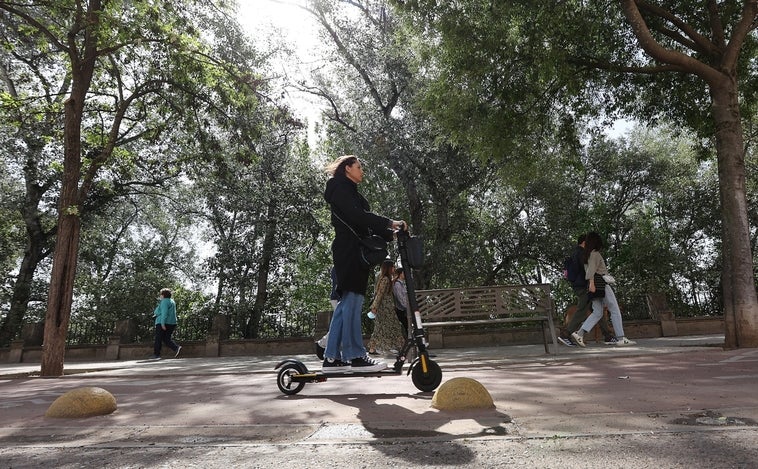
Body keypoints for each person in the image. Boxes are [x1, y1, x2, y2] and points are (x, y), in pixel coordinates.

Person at [322, 155, 406, 373]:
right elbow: (358, 216)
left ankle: (331, 359)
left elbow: (364, 223)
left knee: (347, 303)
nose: (362, 171)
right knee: (352, 301)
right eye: (359, 167)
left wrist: (392, 234)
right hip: (348, 251)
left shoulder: (349, 191)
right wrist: (390, 222)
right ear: (348, 168)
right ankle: (355, 355)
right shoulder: (340, 188)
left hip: (353, 250)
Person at [570, 232, 637, 347]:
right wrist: (592, 283)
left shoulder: (587, 254)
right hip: (601, 284)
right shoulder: (595, 254)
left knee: (598, 312)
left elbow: (589, 270)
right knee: (614, 309)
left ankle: (580, 333)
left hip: (594, 285)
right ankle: (621, 338)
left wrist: (591, 283)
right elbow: (591, 271)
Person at [558, 234, 615, 346]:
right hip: (584, 286)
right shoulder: (581, 253)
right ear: (584, 242)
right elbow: (588, 271)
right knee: (582, 310)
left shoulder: (576, 253)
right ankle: (565, 334)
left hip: (580, 286)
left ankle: (608, 335)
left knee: (597, 310)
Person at [367, 260, 405, 355]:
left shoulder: (385, 278)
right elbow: (380, 294)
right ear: (389, 268)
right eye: (393, 267)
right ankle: (401, 346)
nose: (394, 269)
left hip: (386, 307)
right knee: (394, 326)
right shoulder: (385, 279)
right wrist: (374, 307)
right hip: (385, 308)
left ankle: (372, 349)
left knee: (380, 328)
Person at [315, 267, 340, 360]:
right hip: (338, 298)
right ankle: (322, 344)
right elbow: (338, 284)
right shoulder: (338, 266)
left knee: (340, 325)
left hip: (338, 298)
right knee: (340, 325)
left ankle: (322, 344)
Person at [151, 288, 181, 359]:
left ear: (163, 295)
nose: (160, 296)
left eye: (161, 294)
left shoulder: (164, 301)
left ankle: (156, 354)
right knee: (166, 338)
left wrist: (162, 324)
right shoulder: (172, 301)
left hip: (163, 322)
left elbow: (165, 313)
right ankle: (176, 347)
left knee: (158, 338)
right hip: (172, 322)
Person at [392, 267, 409, 338]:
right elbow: (400, 298)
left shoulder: (402, 284)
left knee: (408, 326)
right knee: (407, 326)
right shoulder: (397, 285)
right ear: (401, 274)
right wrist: (407, 307)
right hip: (401, 310)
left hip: (404, 309)